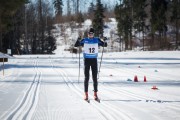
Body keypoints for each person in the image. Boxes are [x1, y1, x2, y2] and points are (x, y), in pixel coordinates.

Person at [75, 28, 107, 101]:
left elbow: (104, 45)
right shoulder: (84, 40)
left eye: (92, 34)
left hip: (94, 61)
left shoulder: (97, 40)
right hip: (87, 61)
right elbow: (76, 45)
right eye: (89, 34)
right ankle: (86, 94)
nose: (90, 35)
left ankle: (95, 94)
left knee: (95, 78)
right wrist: (78, 40)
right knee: (87, 78)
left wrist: (104, 40)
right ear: (88, 34)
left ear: (93, 34)